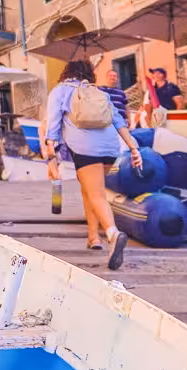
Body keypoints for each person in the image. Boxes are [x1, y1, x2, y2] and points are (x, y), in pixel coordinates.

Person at [42, 59, 144, 269]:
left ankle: (112, 233)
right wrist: (134, 149)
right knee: (90, 190)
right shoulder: (100, 93)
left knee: (96, 194)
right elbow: (119, 121)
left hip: (84, 148)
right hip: (110, 147)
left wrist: (51, 159)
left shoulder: (60, 91)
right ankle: (93, 237)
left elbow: (52, 127)